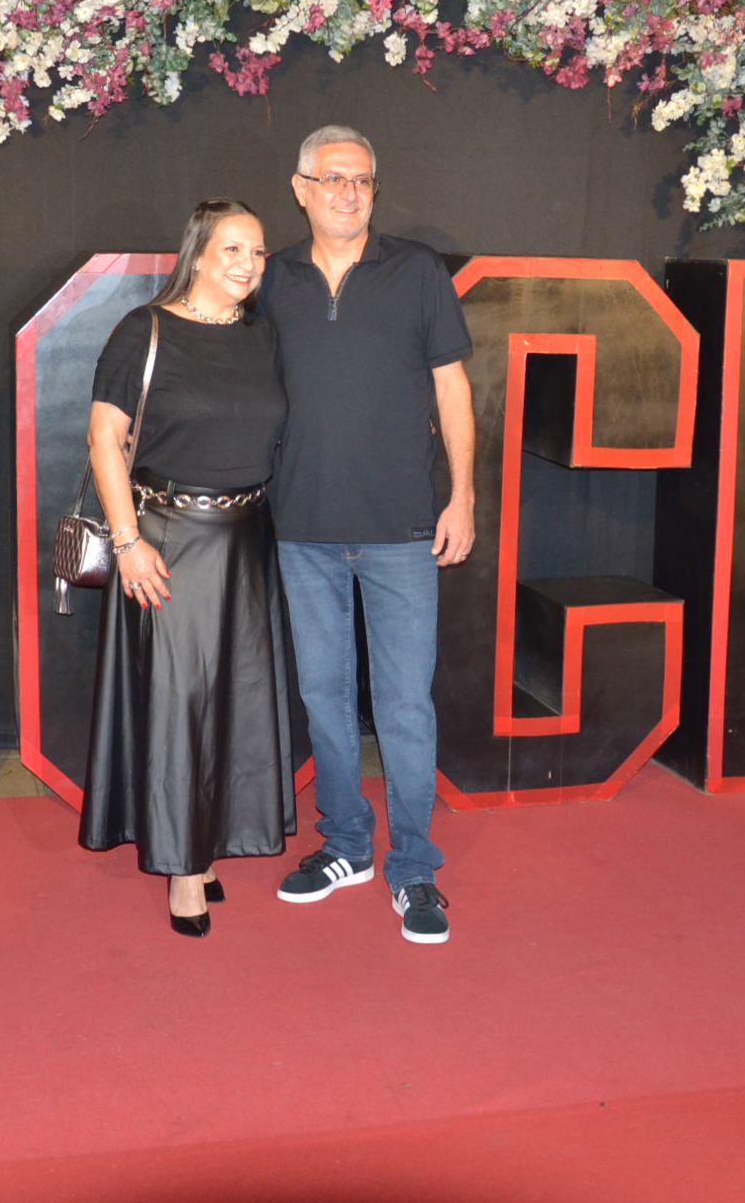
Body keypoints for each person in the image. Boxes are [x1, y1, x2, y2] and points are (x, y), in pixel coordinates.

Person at [262, 125, 475, 945]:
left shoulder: (417, 271)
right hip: (302, 530)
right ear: (301, 188)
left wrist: (462, 497)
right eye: (333, 178)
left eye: (362, 181)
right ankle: (346, 845)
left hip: (402, 532)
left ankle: (414, 868)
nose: (348, 193)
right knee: (323, 698)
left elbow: (452, 390)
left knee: (404, 705)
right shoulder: (271, 278)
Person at [79, 199, 302, 936]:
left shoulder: (262, 336)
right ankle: (182, 868)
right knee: (181, 706)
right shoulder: (143, 331)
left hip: (249, 540)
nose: (248, 264)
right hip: (169, 543)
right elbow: (104, 440)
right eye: (233, 249)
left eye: (258, 252)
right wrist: (127, 542)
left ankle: (208, 845)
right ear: (198, 253)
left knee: (237, 702)